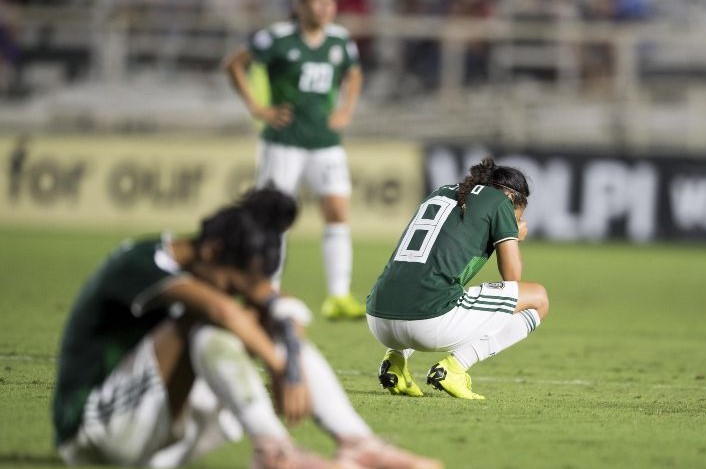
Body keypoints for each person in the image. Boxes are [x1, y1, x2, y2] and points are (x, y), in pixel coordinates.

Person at [52, 188, 443, 469]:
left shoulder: (214, 262)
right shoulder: (141, 261)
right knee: (205, 327)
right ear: (211, 251)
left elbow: (278, 304)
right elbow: (223, 310)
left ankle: (358, 445)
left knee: (261, 320)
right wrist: (278, 366)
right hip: (97, 434)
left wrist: (287, 347)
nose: (232, 291)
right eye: (231, 281)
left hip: (159, 439)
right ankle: (274, 451)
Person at [223, 0, 366, 320]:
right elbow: (233, 64)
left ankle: (339, 296)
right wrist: (258, 108)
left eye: (330, 2)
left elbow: (354, 75)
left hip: (325, 142)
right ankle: (267, 290)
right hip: (284, 142)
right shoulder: (276, 38)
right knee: (273, 217)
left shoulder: (340, 40)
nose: (326, 8)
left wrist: (346, 109)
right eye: (318, 2)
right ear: (299, 6)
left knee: (337, 212)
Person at [366, 158, 550, 400]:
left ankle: (395, 361)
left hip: (378, 317)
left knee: (426, 283)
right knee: (538, 298)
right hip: (427, 322)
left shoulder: (440, 192)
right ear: (513, 200)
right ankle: (454, 368)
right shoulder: (500, 201)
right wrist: (512, 233)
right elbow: (512, 279)